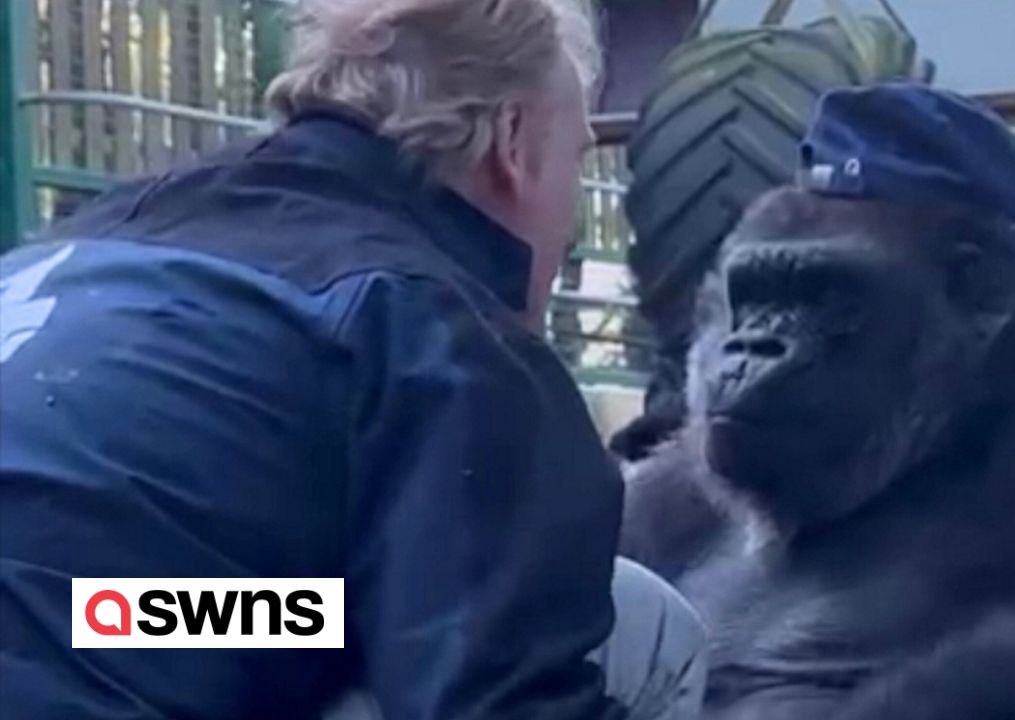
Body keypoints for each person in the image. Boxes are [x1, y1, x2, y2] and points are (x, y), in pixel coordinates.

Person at [0, 0, 705, 718]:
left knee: (325, 617)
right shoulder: (433, 329)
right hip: (99, 635)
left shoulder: (87, 242)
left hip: (107, 613)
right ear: (514, 142)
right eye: (576, 153)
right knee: (641, 622)